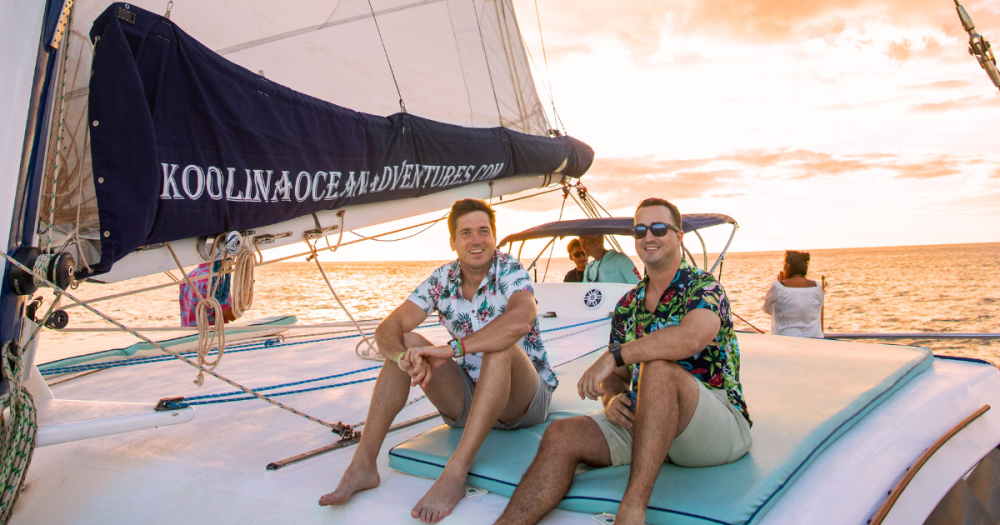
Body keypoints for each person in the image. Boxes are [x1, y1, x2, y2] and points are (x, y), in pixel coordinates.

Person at [495, 198, 752, 525]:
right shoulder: (628, 305)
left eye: (659, 228)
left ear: (679, 236)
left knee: (657, 368)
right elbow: (616, 379)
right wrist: (612, 397)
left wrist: (616, 354)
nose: (649, 236)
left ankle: (632, 511)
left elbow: (690, 339)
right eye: (639, 230)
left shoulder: (704, 288)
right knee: (561, 434)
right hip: (649, 417)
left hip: (716, 422)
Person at [319, 198, 557, 524]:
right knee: (409, 344)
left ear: (494, 237)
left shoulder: (509, 270)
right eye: (467, 233)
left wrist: (453, 349)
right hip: (471, 396)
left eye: (484, 231)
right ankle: (363, 465)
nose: (476, 240)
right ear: (453, 242)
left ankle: (455, 474)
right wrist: (404, 358)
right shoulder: (441, 280)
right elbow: (388, 328)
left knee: (500, 347)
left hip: (524, 400)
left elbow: (519, 322)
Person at [762, 250, 825, 338]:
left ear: (788, 266)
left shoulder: (779, 287)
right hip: (815, 341)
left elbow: (767, 308)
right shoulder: (817, 287)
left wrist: (781, 282)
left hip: (786, 342)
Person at [178, 261, 235, 327]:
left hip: (191, 334)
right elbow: (230, 315)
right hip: (211, 334)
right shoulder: (215, 280)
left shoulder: (187, 277)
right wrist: (245, 297)